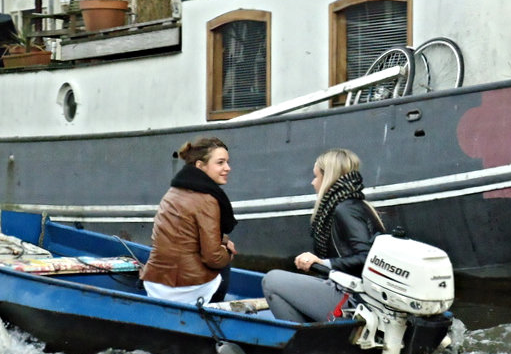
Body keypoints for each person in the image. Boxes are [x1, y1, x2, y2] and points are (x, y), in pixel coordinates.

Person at [262, 148, 384, 322]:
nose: (313, 182)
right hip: (356, 293)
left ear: (327, 178)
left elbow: (368, 258)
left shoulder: (346, 209)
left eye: (316, 176)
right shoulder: (357, 205)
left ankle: (304, 342)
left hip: (354, 298)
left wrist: (322, 263)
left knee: (271, 280)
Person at [141, 137, 237, 305]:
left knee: (222, 248)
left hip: (154, 281)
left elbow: (185, 234)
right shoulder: (207, 199)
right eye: (220, 163)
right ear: (200, 166)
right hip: (184, 290)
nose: (227, 168)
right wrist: (227, 252)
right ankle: (212, 311)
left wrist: (223, 241)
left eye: (227, 162)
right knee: (224, 263)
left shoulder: (174, 190)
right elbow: (213, 258)